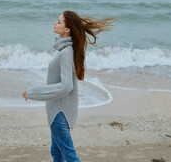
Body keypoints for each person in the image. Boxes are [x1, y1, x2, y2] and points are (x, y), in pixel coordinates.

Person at [22, 10, 113, 162]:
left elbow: (66, 86)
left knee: (69, 156)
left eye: (59, 22)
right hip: (57, 112)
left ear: (67, 29)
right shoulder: (65, 50)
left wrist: (33, 92)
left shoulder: (66, 52)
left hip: (60, 113)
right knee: (57, 153)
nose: (55, 23)